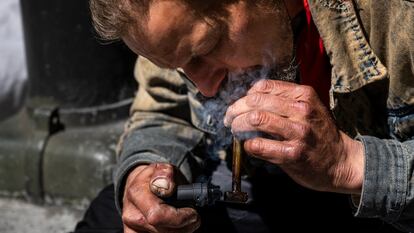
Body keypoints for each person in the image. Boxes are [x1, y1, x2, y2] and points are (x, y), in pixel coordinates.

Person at [81, 0, 414, 232]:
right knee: (110, 220)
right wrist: (145, 170)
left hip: (382, 207)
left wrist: (351, 163)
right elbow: (164, 111)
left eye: (206, 49)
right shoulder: (174, 25)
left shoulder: (401, 16)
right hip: (275, 188)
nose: (206, 88)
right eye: (181, 67)